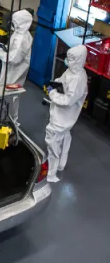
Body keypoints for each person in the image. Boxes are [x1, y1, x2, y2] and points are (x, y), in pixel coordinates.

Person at [45, 45, 88, 183]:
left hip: (63, 117)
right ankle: (60, 165)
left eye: (70, 59)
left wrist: (52, 93)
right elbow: (62, 80)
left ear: (78, 60)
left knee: (53, 140)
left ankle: (51, 174)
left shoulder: (78, 79)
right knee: (64, 138)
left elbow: (68, 100)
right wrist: (54, 84)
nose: (67, 61)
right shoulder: (72, 71)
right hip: (61, 115)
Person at [0, 9, 34, 123]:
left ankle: (11, 123)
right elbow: (14, 51)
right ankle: (5, 118)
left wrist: (0, 51)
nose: (12, 24)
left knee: (10, 97)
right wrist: (6, 48)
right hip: (11, 71)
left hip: (14, 73)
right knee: (7, 95)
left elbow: (14, 58)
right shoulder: (19, 33)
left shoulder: (22, 38)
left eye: (15, 21)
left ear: (21, 22)